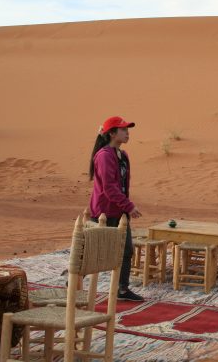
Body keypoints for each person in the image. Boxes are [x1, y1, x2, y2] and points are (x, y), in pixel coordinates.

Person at [89, 116, 143, 301]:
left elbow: (121, 186)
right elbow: (109, 188)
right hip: (105, 211)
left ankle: (122, 289)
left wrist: (125, 208)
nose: (127, 133)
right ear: (112, 133)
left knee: (126, 250)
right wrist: (129, 206)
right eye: (123, 130)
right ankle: (73, 278)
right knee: (96, 252)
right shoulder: (104, 156)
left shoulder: (123, 155)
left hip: (120, 211)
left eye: (127, 129)